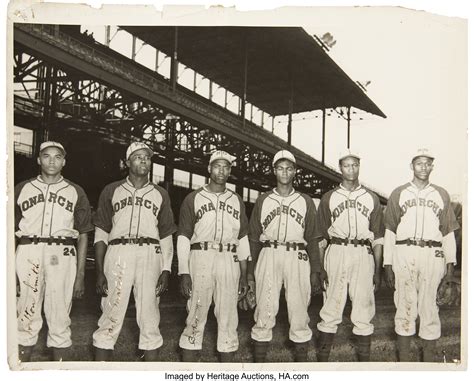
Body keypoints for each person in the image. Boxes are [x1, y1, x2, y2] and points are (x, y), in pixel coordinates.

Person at [92, 141, 176, 361]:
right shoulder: (112, 190)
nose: (143, 160)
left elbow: (166, 236)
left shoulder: (160, 194)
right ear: (127, 162)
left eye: (147, 157)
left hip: (150, 252)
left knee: (149, 315)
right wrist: (99, 271)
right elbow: (101, 233)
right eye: (138, 156)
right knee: (111, 312)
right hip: (118, 251)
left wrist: (166, 269)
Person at [14, 141, 93, 361]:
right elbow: (9, 230)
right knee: (25, 315)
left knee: (59, 318)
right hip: (29, 250)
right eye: (47, 156)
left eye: (57, 157)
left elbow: (84, 233)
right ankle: (21, 371)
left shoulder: (76, 191)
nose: (52, 161)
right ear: (38, 159)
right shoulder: (22, 188)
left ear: (64, 162)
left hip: (62, 252)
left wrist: (80, 275)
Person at [383, 148, 459, 362]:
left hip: (432, 253)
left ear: (432, 166)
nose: (423, 167)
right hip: (404, 251)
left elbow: (448, 233)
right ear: (411, 166)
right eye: (419, 163)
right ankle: (405, 364)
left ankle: (427, 364)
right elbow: (389, 230)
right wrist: (387, 264)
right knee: (404, 306)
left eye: (427, 163)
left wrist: (450, 268)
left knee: (429, 307)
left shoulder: (441, 194)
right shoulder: (399, 193)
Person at [248, 149, 322, 362]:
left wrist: (315, 270)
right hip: (269, 253)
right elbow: (254, 238)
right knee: (264, 310)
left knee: (299, 313)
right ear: (274, 171)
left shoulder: (305, 200)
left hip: (297, 255)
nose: (284, 172)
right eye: (280, 168)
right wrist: (251, 273)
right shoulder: (263, 199)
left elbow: (313, 237)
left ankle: (301, 369)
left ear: (295, 171)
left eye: (289, 168)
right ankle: (259, 371)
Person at [177, 150, 250, 363]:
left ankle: (226, 372)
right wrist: (183, 272)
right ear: (209, 169)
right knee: (195, 315)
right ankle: (188, 374)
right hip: (201, 256)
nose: (222, 170)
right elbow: (183, 236)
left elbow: (243, 239)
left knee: (228, 318)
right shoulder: (193, 198)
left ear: (230, 171)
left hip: (229, 257)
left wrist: (245, 275)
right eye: (217, 166)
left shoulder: (237, 200)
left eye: (226, 167)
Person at [315, 150, 384, 362]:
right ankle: (322, 366)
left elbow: (378, 239)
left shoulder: (371, 197)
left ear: (359, 167)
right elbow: (320, 237)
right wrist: (320, 267)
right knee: (331, 307)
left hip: (363, 252)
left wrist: (377, 270)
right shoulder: (329, 197)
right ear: (340, 168)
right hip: (336, 250)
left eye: (354, 165)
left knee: (363, 307)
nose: (351, 169)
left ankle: (364, 367)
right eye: (346, 165)